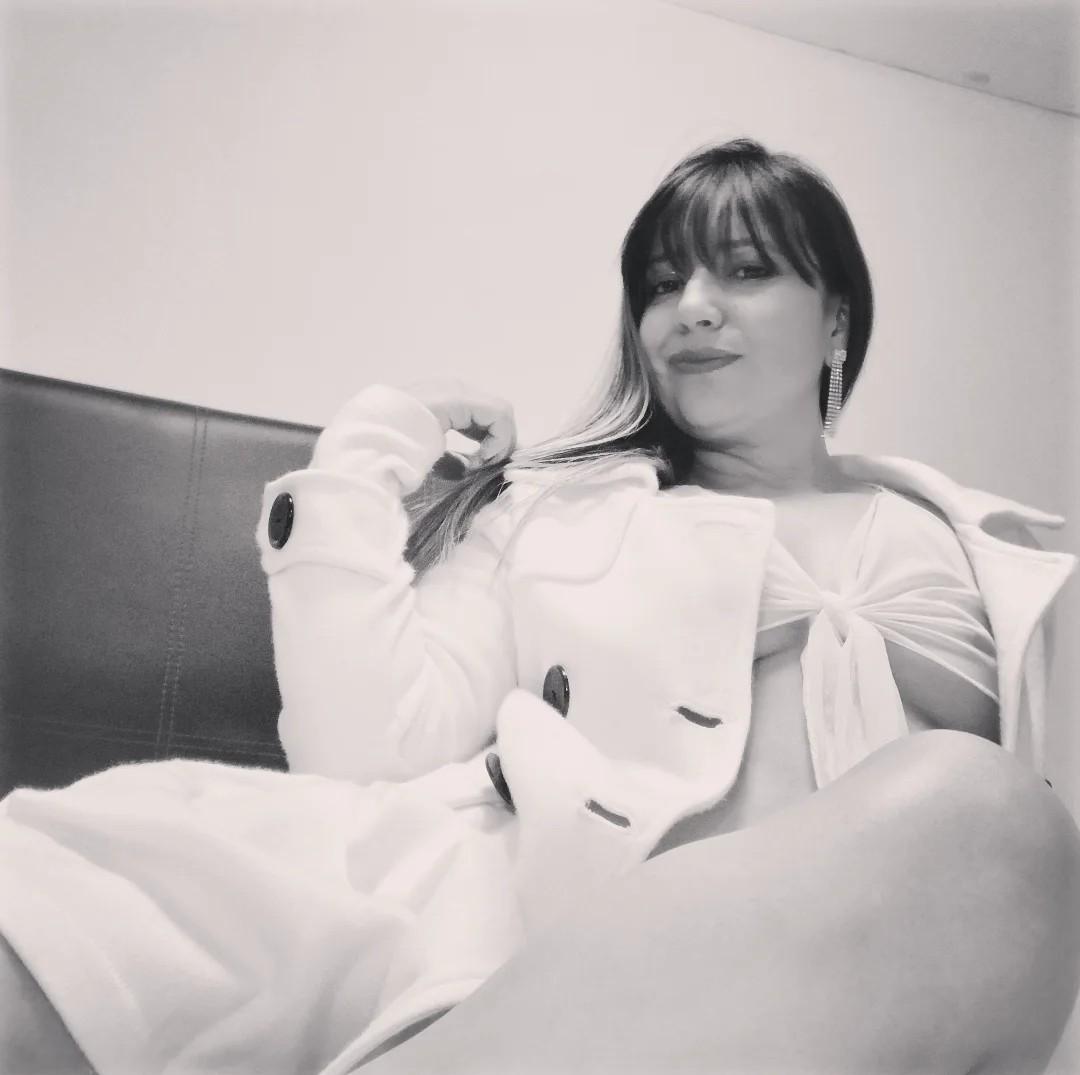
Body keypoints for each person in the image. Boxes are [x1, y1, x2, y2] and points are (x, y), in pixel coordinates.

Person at [2, 138, 1078, 1075]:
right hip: (538, 951)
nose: (691, 306)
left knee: (982, 815)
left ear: (837, 316)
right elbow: (363, 752)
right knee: (56, 930)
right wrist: (369, 449)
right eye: (662, 283)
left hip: (878, 1002)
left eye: (746, 270)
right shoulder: (557, 514)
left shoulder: (1000, 556)